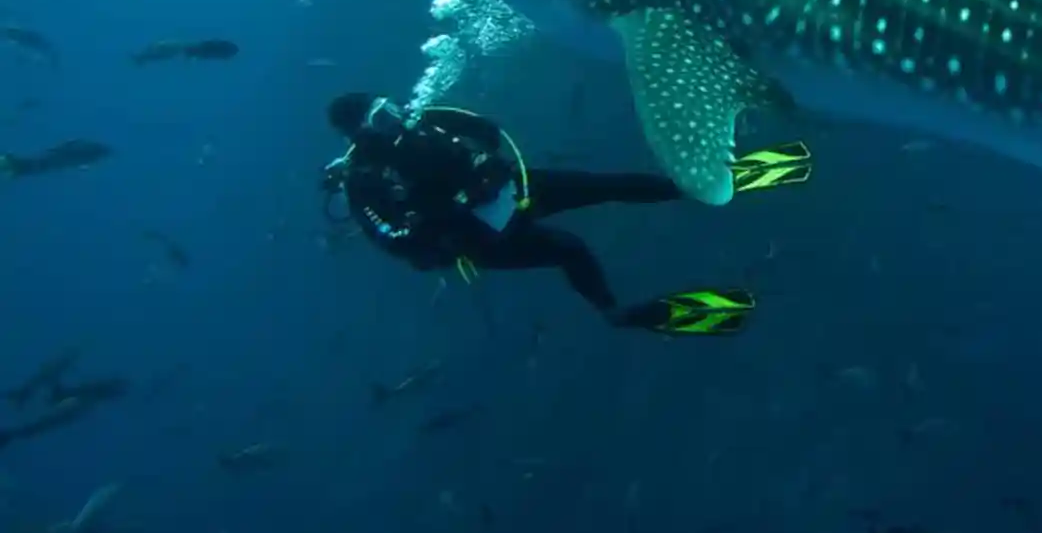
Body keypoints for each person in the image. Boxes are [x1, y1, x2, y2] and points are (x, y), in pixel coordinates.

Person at [319, 92, 812, 335]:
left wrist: (486, 164)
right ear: (359, 135)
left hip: (515, 189)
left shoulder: (424, 120)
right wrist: (448, 222)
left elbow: (489, 131)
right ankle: (620, 314)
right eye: (381, 120)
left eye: (391, 109)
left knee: (610, 185)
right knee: (570, 250)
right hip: (483, 239)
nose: (395, 121)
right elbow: (399, 241)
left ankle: (705, 185)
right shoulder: (365, 181)